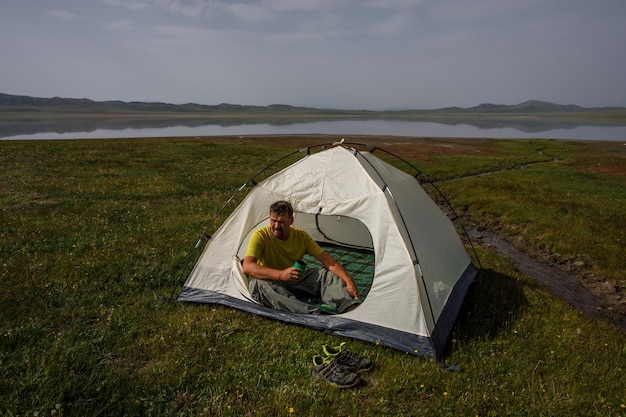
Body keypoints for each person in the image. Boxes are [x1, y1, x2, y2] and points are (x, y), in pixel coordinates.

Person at [242, 200, 360, 314]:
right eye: (273, 221)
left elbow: (326, 259)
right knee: (258, 284)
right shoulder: (260, 236)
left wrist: (348, 280)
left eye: (282, 222)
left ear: (291, 220)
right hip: (271, 281)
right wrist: (281, 274)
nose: (276, 226)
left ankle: (348, 306)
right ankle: (312, 314)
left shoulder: (301, 236)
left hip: (294, 279)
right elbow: (247, 267)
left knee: (327, 274)